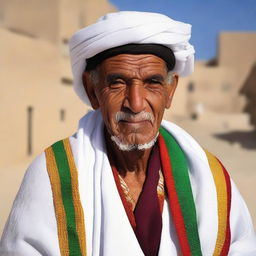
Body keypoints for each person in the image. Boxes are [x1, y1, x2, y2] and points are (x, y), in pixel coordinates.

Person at [0, 11, 255, 256]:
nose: (135, 104)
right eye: (118, 82)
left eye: (152, 83)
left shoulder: (210, 178)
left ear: (170, 91)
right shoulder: (53, 174)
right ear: (92, 90)